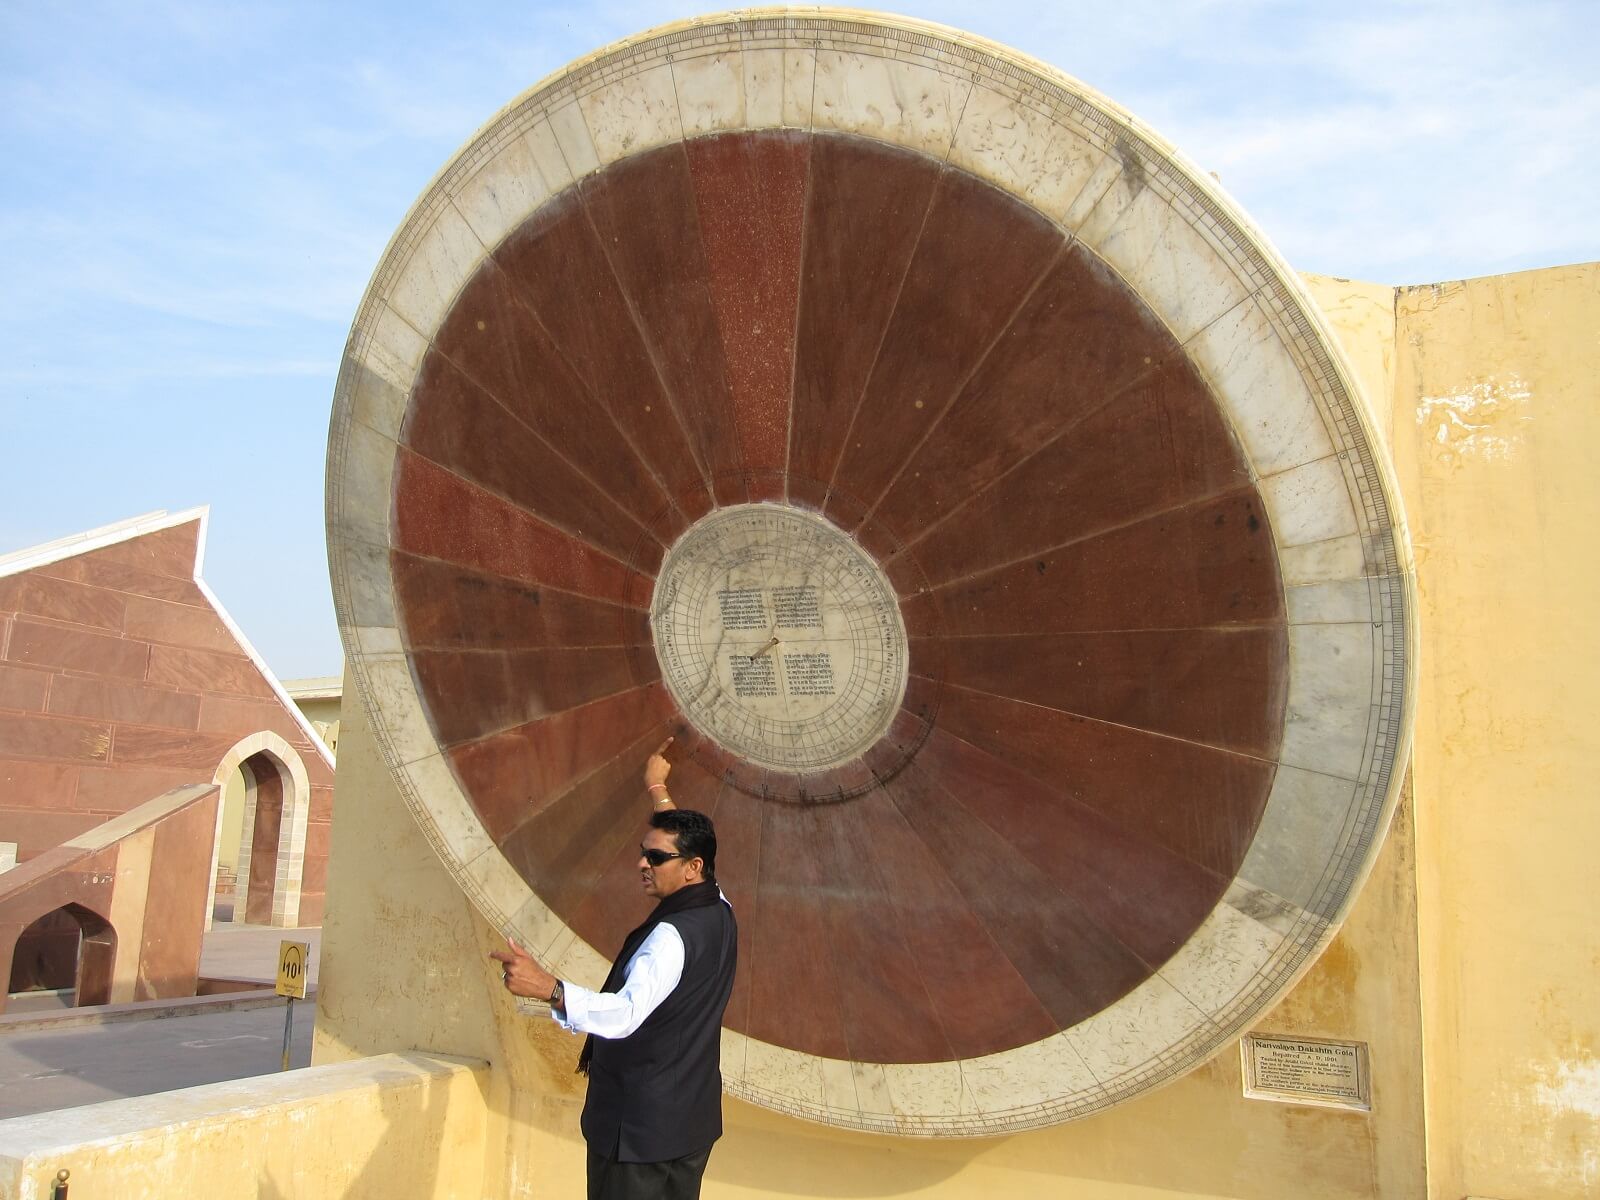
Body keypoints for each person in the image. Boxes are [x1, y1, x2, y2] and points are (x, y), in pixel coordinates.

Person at [492, 737, 737, 1200]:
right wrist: (657, 789)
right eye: (645, 852)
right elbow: (696, 849)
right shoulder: (720, 910)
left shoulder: (667, 939)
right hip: (689, 1124)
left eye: (657, 858)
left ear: (692, 868)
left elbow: (625, 1014)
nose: (642, 864)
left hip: (638, 1133)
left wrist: (549, 988)